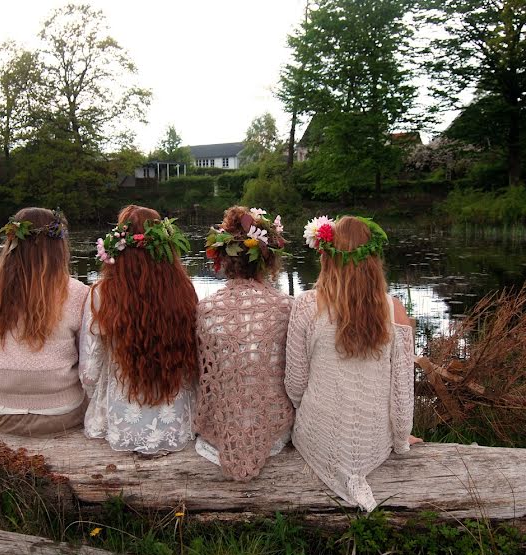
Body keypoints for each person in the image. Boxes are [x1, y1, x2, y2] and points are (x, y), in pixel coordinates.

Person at [285, 215, 421, 511]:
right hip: (374, 445)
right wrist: (400, 440)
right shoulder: (393, 309)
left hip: (316, 439)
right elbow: (402, 394)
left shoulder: (306, 305)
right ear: (373, 259)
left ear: (326, 256)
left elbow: (295, 387)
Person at [80, 205, 198, 453]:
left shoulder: (101, 294)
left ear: (117, 244)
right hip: (175, 422)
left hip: (121, 422)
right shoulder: (184, 291)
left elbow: (89, 373)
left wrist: (96, 400)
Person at [0, 207, 90, 437]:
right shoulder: (78, 293)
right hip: (63, 414)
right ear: (58, 248)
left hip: (4, 415)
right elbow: (87, 366)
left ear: (11, 243)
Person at [195, 206, 294, 480]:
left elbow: (201, 375)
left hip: (219, 434)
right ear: (268, 258)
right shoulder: (287, 307)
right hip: (273, 434)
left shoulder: (206, 308)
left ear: (225, 259)